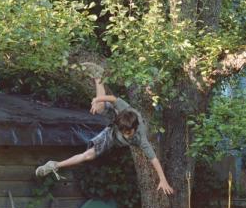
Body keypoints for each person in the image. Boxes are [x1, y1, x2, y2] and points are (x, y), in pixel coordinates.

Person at [35, 64, 174, 195]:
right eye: (125, 133)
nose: (127, 136)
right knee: (99, 108)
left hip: (113, 136)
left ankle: (55, 164)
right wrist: (97, 100)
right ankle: (98, 75)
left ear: (134, 128)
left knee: (88, 155)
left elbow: (154, 159)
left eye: (129, 133)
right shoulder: (124, 110)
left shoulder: (141, 137)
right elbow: (113, 99)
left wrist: (163, 179)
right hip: (116, 121)